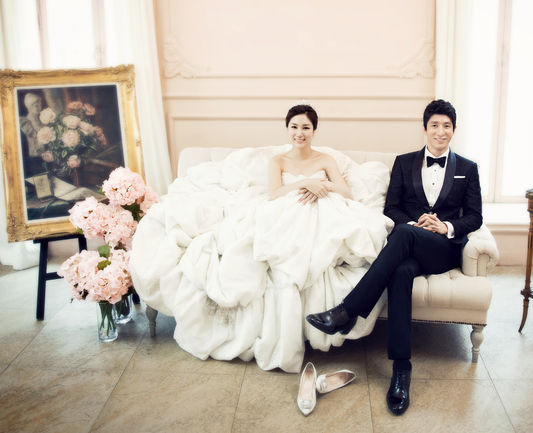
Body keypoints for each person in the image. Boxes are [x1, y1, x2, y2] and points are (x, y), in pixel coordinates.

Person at [130, 104, 392, 373]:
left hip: (323, 204)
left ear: (314, 131)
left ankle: (306, 264)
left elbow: (346, 192)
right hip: (286, 205)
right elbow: (275, 193)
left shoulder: (325, 159)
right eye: (294, 127)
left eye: (305, 127)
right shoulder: (278, 160)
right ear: (287, 129)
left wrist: (321, 185)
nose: (299, 133)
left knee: (336, 232)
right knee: (264, 234)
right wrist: (304, 183)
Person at [307, 99, 483, 415]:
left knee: (402, 235)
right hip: (411, 240)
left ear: (454, 130)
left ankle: (348, 311)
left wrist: (444, 226)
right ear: (424, 128)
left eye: (446, 126)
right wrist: (416, 224)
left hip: (443, 250)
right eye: (435, 125)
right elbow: (392, 208)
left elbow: (475, 216)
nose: (440, 131)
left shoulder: (468, 169)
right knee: (400, 270)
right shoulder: (404, 162)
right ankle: (401, 370)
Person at [19, 92, 46, 177]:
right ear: (29, 107)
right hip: (36, 157)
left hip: (47, 155)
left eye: (40, 104)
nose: (39, 107)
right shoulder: (25, 121)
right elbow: (37, 135)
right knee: (41, 179)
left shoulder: (42, 119)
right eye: (35, 105)